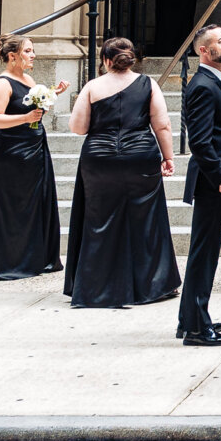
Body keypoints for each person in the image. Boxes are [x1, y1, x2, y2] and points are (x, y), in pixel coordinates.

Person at [63, 37, 180, 309]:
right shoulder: (148, 84)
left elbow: (78, 128)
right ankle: (153, 285)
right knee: (146, 220)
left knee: (98, 220)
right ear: (132, 59)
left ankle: (96, 287)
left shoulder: (92, 87)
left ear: (105, 60)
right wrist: (168, 157)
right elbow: (162, 125)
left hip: (100, 160)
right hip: (140, 158)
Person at [0, 34, 67, 280]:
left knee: (32, 205)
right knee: (12, 207)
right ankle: (8, 262)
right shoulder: (1, 84)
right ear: (12, 56)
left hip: (33, 149)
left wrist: (53, 93)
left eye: (33, 51)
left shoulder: (28, 78)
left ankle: (32, 258)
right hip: (10, 152)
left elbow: (32, 108)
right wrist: (25, 119)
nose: (33, 55)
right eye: (28, 51)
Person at [177, 25, 221, 345]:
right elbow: (200, 142)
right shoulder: (203, 85)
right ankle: (195, 328)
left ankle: (190, 318)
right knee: (203, 253)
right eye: (220, 41)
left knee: (206, 252)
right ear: (203, 50)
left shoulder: (216, 81)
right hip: (212, 182)